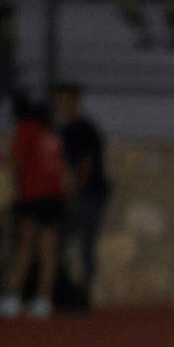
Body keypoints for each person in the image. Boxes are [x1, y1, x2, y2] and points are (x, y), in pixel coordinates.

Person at [0, 92, 67, 319]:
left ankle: (12, 297)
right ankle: (43, 300)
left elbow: (17, 160)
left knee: (24, 248)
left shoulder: (28, 129)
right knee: (47, 251)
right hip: (53, 196)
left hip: (33, 196)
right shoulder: (51, 133)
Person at [53, 82, 110, 299]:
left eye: (64, 101)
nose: (60, 106)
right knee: (66, 240)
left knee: (85, 241)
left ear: (75, 101)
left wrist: (75, 189)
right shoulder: (65, 129)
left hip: (89, 194)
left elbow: (86, 163)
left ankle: (84, 290)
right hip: (76, 192)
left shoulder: (83, 128)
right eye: (58, 101)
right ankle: (66, 286)